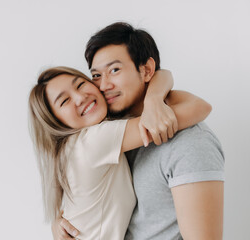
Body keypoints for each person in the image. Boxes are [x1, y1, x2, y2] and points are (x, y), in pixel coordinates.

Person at [51, 22, 225, 240]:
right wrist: (61, 221)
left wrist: (154, 99)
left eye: (114, 70)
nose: (103, 86)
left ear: (147, 70)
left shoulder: (190, 143)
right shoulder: (110, 132)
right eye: (96, 75)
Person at [29, 66, 212, 239]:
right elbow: (199, 107)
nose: (80, 97)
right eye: (64, 101)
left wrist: (153, 99)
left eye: (80, 84)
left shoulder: (73, 148)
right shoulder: (93, 141)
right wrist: (154, 99)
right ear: (55, 122)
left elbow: (163, 74)